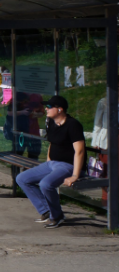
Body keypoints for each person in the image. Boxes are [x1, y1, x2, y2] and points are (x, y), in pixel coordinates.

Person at [16, 95, 86, 228]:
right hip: (52, 163)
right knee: (22, 178)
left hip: (68, 165)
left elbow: (80, 151)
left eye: (49, 107)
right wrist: (48, 161)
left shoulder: (73, 125)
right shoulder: (51, 123)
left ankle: (57, 216)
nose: (46, 109)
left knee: (46, 184)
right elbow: (52, 143)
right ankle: (47, 211)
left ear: (60, 109)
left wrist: (75, 175)